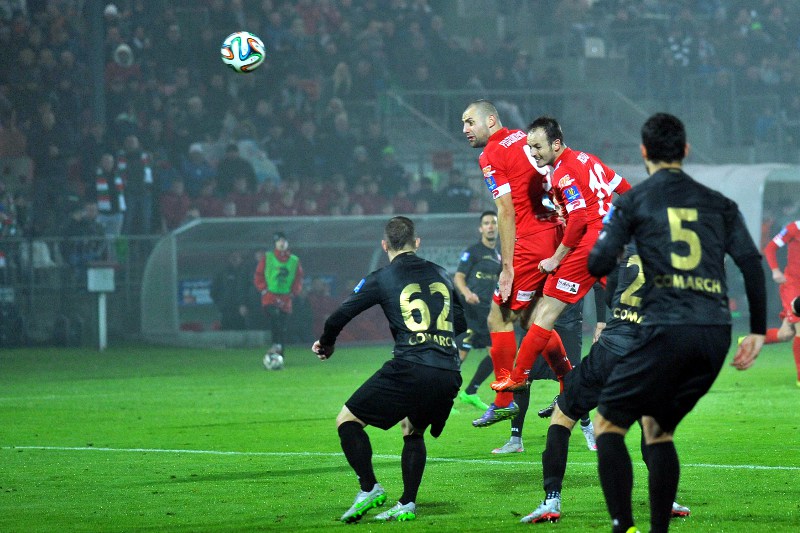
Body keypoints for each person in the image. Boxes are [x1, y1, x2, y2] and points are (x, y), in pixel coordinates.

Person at [587, 112, 766, 533]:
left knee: (607, 423)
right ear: (685, 150)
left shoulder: (632, 201)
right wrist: (758, 330)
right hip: (715, 333)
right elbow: (750, 263)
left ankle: (623, 527)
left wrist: (610, 244)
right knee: (657, 427)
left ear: (643, 152)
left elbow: (597, 263)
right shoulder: (720, 203)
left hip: (666, 328)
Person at [521, 244, 689, 524]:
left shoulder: (628, 248)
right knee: (653, 428)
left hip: (612, 349)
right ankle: (666, 500)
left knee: (563, 414)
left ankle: (552, 500)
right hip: (649, 356)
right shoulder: (680, 254)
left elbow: (609, 291)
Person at [312, 216, 465, 523]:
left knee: (347, 420)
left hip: (411, 366)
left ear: (385, 245)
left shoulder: (382, 277)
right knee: (412, 429)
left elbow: (339, 315)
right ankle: (407, 503)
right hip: (448, 369)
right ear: (416, 243)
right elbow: (460, 322)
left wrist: (327, 343)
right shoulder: (441, 273)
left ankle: (369, 488)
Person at [490, 115, 631, 392]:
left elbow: (578, 219)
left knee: (545, 311)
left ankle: (519, 376)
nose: (533, 153)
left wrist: (556, 258)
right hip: (611, 241)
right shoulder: (589, 159)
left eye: (538, 147)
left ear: (556, 144)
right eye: (530, 147)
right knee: (630, 310)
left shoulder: (563, 172)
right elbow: (626, 190)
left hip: (588, 244)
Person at [461, 100, 574, 428]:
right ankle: (570, 386)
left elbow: (506, 210)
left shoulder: (491, 154)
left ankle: (503, 401)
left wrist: (507, 267)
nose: (465, 130)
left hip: (531, 240)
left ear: (491, 120)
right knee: (534, 317)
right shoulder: (526, 140)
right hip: (555, 233)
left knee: (497, 318)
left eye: (470, 122)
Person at [454, 210, 501, 413]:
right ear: (480, 229)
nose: (490, 226)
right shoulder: (473, 252)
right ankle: (443, 398)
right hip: (471, 312)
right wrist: (466, 293)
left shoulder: (499, 255)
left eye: (493, 223)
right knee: (461, 353)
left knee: (496, 353)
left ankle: (471, 392)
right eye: (486, 223)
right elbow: (458, 277)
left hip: (488, 314)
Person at [762, 219, 800, 386]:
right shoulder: (794, 228)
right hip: (793, 286)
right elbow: (770, 247)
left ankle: (752, 340)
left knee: (785, 334)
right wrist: (775, 270)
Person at [254, 231, 303, 354]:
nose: (282, 243)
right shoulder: (268, 257)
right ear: (275, 243)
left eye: (284, 241)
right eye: (279, 241)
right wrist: (263, 289)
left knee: (282, 325)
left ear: (287, 243)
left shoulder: (294, 260)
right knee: (274, 318)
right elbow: (258, 274)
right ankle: (276, 345)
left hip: (286, 297)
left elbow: (298, 278)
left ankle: (280, 352)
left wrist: (294, 292)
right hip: (270, 296)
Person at [211, 250, 254, 331]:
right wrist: (221, 304)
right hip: (227, 310)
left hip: (243, 309)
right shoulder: (222, 272)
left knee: (242, 331)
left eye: (238, 257)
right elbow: (214, 291)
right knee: (226, 331)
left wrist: (245, 304)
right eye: (233, 257)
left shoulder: (247, 272)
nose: (235, 259)